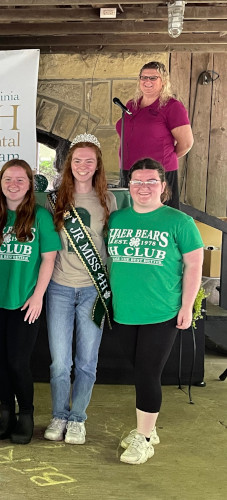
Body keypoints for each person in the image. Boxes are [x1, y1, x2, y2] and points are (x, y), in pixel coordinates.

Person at [108, 158, 203, 465]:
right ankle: (148, 427)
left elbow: (194, 265)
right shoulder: (118, 219)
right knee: (141, 372)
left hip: (162, 312)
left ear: (164, 186)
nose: (143, 188)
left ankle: (145, 437)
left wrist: (187, 306)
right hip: (124, 312)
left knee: (148, 374)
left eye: (151, 182)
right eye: (137, 182)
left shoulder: (179, 222)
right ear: (129, 186)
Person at [0, 159, 61, 445]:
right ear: (0, 184)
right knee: (1, 362)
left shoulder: (41, 217)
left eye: (20, 180)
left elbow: (49, 259)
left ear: (30, 184)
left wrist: (38, 296)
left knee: (19, 362)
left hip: (25, 301)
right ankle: (6, 413)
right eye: (8, 179)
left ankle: (26, 415)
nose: (13, 185)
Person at [44, 134, 117, 445]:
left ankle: (78, 418)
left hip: (92, 289)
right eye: (77, 160)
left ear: (97, 164)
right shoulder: (54, 199)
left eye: (89, 160)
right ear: (68, 164)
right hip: (59, 287)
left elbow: (111, 247)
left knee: (87, 361)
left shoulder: (108, 200)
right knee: (60, 362)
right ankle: (59, 414)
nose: (83, 165)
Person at [115, 61, 193, 209]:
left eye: (153, 78)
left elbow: (186, 143)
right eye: (144, 77)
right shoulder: (132, 105)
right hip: (129, 172)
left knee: (160, 219)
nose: (147, 81)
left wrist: (165, 158)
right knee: (132, 217)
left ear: (163, 81)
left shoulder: (172, 106)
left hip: (158, 174)